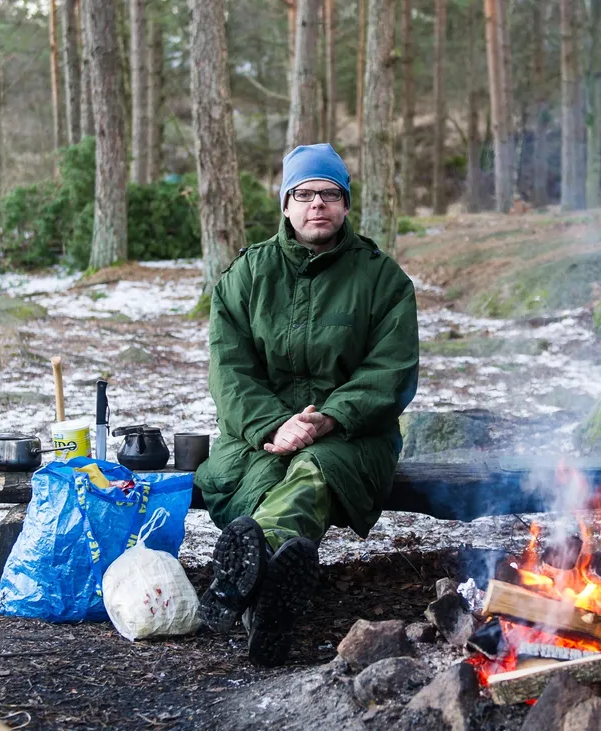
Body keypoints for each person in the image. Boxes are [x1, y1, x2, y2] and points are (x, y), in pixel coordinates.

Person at [193, 143, 419, 666]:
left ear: (344, 206)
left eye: (329, 193)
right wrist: (274, 426)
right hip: (259, 434)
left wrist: (324, 419)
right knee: (260, 478)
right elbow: (229, 372)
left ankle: (242, 580)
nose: (317, 204)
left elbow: (391, 373)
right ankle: (268, 603)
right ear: (286, 206)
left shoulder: (383, 280)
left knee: (313, 473)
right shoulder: (246, 276)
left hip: (352, 434)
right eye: (304, 194)